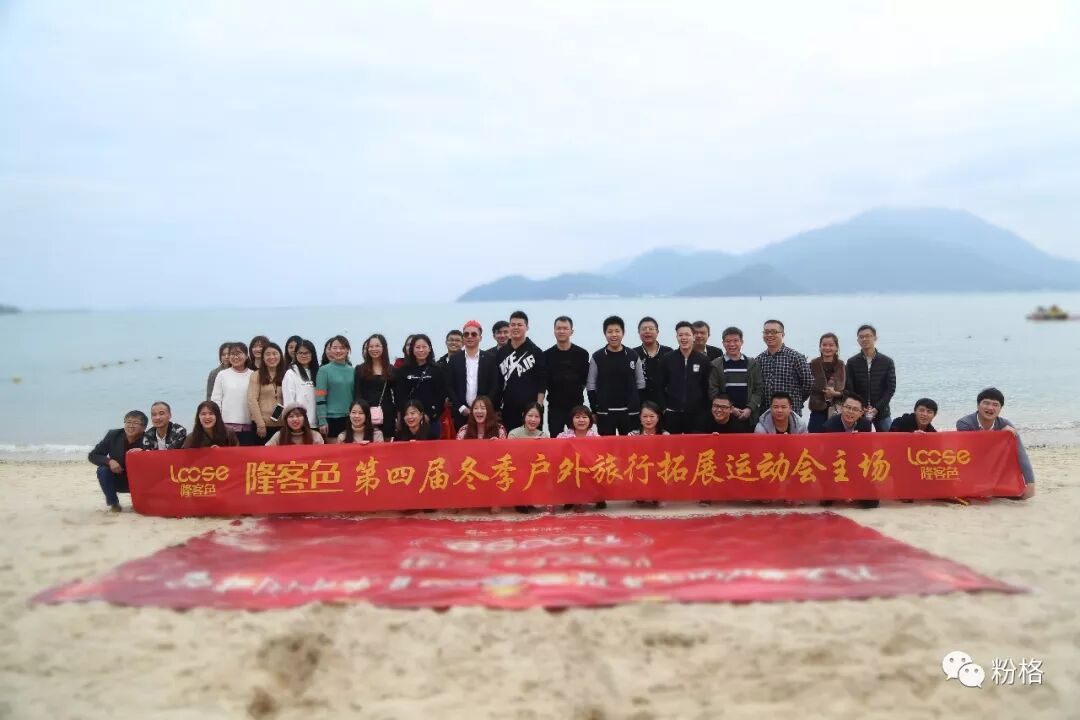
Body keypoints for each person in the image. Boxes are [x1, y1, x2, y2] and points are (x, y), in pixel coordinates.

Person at [956, 387, 1035, 496]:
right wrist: (999, 436)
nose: (990, 408)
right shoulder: (964, 423)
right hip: (972, 465)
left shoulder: (1005, 424)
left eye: (995, 404)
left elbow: (1020, 452)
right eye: (986, 403)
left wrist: (1030, 482)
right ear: (978, 405)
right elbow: (973, 450)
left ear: (1000, 408)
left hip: (995, 466)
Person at [587, 315, 645, 436]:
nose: (614, 335)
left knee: (630, 446)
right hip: (605, 413)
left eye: (617, 331)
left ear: (623, 333)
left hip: (630, 413)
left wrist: (638, 406)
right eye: (610, 331)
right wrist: (594, 410)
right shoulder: (597, 357)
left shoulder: (633, 355)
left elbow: (640, 383)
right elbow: (591, 386)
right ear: (605, 334)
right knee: (606, 446)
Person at [496, 310, 547, 432]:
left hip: (531, 409)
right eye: (513, 324)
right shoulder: (501, 353)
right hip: (508, 407)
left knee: (533, 440)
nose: (516, 327)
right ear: (509, 327)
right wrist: (496, 407)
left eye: (519, 325)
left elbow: (542, 381)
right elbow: (497, 382)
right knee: (510, 439)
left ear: (527, 327)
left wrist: (539, 405)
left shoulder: (536, 351)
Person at [88, 410, 149, 511]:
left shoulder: (149, 439)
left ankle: (141, 502)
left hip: (139, 482)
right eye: (128, 422)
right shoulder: (113, 435)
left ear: (144, 427)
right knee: (103, 470)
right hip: (118, 478)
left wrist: (144, 452)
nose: (131, 426)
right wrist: (109, 461)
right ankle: (114, 505)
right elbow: (93, 455)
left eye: (136, 423)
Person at [656, 321, 710, 434]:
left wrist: (704, 410)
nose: (684, 338)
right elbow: (659, 386)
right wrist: (664, 408)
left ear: (693, 337)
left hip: (696, 414)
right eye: (680, 335)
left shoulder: (703, 360)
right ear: (676, 337)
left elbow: (706, 387)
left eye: (687, 335)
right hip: (672, 413)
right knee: (672, 445)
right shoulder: (667, 359)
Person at [447, 320, 502, 431]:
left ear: (480, 338)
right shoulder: (454, 359)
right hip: (461, 413)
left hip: (485, 413)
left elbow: (495, 385)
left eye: (473, 334)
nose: (469, 337)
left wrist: (484, 407)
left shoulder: (490, 359)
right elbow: (449, 386)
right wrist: (461, 407)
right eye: (466, 334)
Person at [543, 315, 590, 437]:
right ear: (554, 331)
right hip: (555, 406)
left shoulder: (582, 354)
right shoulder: (546, 355)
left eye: (565, 328)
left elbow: (586, 380)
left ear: (571, 331)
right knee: (555, 439)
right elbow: (544, 381)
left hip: (576, 406)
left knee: (577, 438)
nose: (561, 331)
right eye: (558, 328)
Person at [844, 324, 896, 432]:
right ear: (858, 340)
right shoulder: (852, 362)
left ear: (875, 338)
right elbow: (849, 387)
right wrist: (861, 406)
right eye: (861, 337)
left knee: (889, 438)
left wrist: (877, 408)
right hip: (858, 411)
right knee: (858, 440)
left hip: (881, 411)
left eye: (868, 336)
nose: (864, 339)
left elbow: (890, 388)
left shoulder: (887, 362)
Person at [756, 319, 813, 416]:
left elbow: (808, 384)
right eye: (766, 332)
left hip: (791, 412)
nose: (769, 335)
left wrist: (797, 400)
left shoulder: (796, 357)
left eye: (774, 332)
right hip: (766, 414)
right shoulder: (759, 359)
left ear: (782, 334)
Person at [710, 326, 763, 427]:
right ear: (723, 343)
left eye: (735, 340)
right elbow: (713, 390)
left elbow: (758, 390)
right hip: (724, 416)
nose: (732, 344)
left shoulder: (752, 364)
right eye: (728, 341)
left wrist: (750, 408)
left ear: (742, 342)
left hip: (748, 415)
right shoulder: (716, 364)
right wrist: (732, 409)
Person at [394, 333, 448, 425]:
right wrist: (409, 415)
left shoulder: (437, 370)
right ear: (412, 349)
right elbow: (399, 396)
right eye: (417, 347)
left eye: (424, 347)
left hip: (431, 420)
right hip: (409, 419)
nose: (421, 350)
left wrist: (430, 415)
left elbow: (441, 396)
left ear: (429, 348)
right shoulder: (403, 371)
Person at [211, 342, 256, 445]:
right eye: (232, 354)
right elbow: (216, 400)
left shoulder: (253, 375)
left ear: (246, 355)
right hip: (226, 427)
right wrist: (217, 423)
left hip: (248, 427)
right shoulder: (222, 375)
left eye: (238, 353)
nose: (235, 357)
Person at [354, 333, 397, 440]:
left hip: (387, 414)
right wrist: (359, 413)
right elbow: (357, 393)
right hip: (365, 413)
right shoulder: (360, 369)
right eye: (371, 346)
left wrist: (398, 416)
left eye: (377, 346)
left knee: (386, 444)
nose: (374, 349)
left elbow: (397, 395)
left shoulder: (391, 370)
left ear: (384, 348)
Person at [316, 335, 355, 442]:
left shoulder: (352, 370)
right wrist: (322, 420)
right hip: (331, 418)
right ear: (330, 350)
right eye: (334, 348)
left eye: (342, 348)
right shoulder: (324, 370)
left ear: (347, 350)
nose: (338, 351)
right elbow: (320, 396)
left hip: (350, 418)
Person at [247, 341, 285, 445]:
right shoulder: (256, 375)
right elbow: (252, 400)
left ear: (280, 356)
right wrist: (260, 424)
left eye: (275, 353)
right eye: (268, 354)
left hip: (283, 426)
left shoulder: (287, 374)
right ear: (263, 358)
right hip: (263, 427)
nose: (271, 357)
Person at [808, 333, 846, 433]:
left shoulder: (842, 365)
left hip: (837, 409)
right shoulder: (813, 364)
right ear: (820, 347)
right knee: (815, 438)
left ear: (836, 347)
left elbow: (849, 390)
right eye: (824, 345)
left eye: (831, 345)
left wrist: (836, 393)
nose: (827, 348)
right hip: (817, 408)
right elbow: (806, 386)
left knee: (835, 439)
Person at [635, 316, 672, 407]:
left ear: (657, 332)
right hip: (640, 403)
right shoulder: (633, 354)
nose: (647, 331)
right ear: (639, 332)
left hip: (665, 403)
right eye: (644, 329)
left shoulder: (669, 352)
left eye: (651, 329)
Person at [282, 339, 319, 426]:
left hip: (317, 423)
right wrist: (294, 420)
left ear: (312, 354)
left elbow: (321, 394)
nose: (303, 355)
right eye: (300, 353)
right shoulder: (291, 373)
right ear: (296, 354)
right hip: (299, 424)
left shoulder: (318, 372)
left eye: (307, 353)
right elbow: (289, 401)